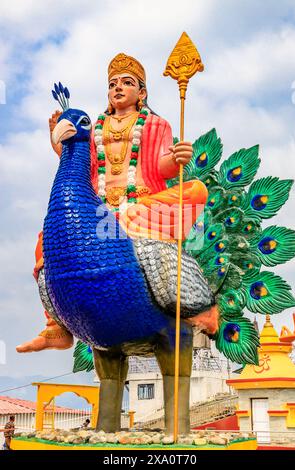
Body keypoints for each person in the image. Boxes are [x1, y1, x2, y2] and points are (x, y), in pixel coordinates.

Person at [16, 53, 218, 353]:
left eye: (126, 83)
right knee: (47, 241)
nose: (118, 88)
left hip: (143, 206)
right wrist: (59, 143)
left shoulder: (154, 124)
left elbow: (160, 164)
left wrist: (176, 158)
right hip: (100, 213)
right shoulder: (95, 126)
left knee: (196, 190)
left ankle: (195, 305)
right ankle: (56, 325)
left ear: (142, 92)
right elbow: (81, 170)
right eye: (112, 84)